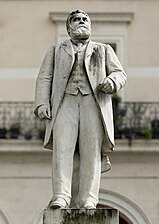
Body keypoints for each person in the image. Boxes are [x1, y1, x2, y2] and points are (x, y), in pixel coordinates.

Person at [34, 9, 127, 209]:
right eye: (76, 19)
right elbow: (44, 77)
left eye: (85, 19)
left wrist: (112, 81)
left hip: (93, 103)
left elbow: (120, 73)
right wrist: (42, 103)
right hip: (64, 103)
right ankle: (60, 195)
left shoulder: (103, 49)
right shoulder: (56, 50)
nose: (81, 21)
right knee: (62, 150)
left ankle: (89, 199)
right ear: (69, 27)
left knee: (91, 151)